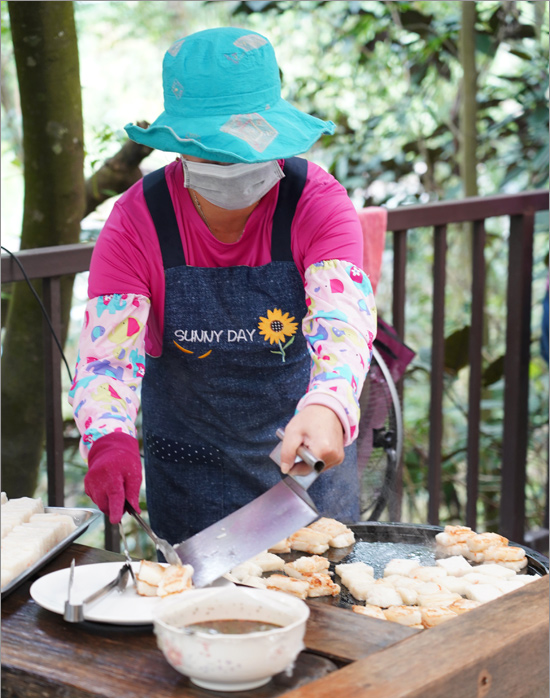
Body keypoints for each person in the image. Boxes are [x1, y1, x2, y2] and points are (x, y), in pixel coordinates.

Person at [69, 27, 377, 545]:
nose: (231, 165)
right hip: (192, 480)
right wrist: (109, 438)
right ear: (180, 144)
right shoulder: (135, 222)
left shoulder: (318, 203)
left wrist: (327, 405)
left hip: (307, 467)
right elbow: (106, 360)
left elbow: (343, 322)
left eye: (245, 149)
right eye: (214, 150)